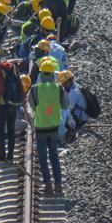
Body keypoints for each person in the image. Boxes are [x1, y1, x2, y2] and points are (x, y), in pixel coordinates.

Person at [29, 57, 68, 194]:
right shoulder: (59, 88)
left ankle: (48, 185)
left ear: (40, 74)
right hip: (54, 127)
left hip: (40, 127)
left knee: (43, 158)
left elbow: (32, 106)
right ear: (52, 73)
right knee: (54, 155)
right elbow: (65, 105)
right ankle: (58, 185)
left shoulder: (35, 89)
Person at [0, 48, 24, 164]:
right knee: (11, 130)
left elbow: (1, 90)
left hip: (4, 105)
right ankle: (10, 157)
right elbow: (19, 83)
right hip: (14, 103)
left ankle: (2, 156)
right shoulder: (12, 66)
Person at [57, 70, 88, 139]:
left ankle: (66, 134)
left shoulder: (73, 93)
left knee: (62, 113)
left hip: (80, 119)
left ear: (68, 81)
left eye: (63, 84)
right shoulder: (76, 87)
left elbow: (67, 109)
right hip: (84, 114)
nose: (63, 86)